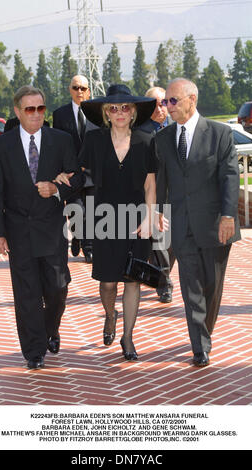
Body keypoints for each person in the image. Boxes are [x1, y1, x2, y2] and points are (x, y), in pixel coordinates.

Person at [55, 84, 157, 361]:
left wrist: (150, 216)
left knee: (133, 279)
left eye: (125, 107)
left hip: (137, 219)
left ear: (134, 111)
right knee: (109, 282)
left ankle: (128, 337)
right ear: (106, 113)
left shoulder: (146, 141)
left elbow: (150, 184)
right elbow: (78, 170)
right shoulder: (95, 141)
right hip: (105, 218)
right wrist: (63, 176)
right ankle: (110, 315)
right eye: (114, 108)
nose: (120, 112)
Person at [0, 85, 83, 369]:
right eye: (30, 109)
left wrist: (55, 189)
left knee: (57, 287)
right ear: (17, 111)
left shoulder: (61, 140)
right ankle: (34, 351)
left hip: (52, 229)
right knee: (27, 293)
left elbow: (77, 179)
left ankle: (50, 329)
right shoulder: (0, 146)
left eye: (41, 108)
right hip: (18, 230)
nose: (36, 114)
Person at [156, 78, 241, 367]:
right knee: (190, 285)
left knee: (211, 286)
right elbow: (162, 180)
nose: (168, 107)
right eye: (166, 101)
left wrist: (229, 216)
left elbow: (230, 177)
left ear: (192, 99)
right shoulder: (164, 139)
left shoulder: (220, 134)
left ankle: (206, 330)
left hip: (216, 224)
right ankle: (200, 345)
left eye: (173, 101)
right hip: (181, 225)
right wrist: (157, 213)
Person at [53, 74, 97, 263]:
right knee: (77, 210)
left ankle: (89, 248)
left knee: (92, 211)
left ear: (89, 91)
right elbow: (56, 145)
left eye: (83, 88)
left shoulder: (97, 112)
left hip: (93, 173)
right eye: (76, 87)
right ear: (70, 89)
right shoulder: (60, 115)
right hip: (71, 173)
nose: (79, 91)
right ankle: (77, 235)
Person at [139, 86, 176, 303]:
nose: (160, 108)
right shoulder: (140, 133)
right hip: (151, 196)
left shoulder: (176, 129)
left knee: (173, 246)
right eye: (154, 103)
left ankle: (161, 272)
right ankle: (164, 284)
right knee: (160, 242)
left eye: (163, 102)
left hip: (176, 196)